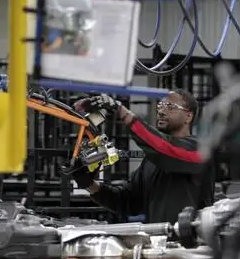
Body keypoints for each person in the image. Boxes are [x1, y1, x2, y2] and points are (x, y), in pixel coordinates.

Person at [72, 90, 216, 224]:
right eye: (160, 105)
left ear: (188, 116)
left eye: (170, 106)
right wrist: (90, 185)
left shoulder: (199, 150)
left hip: (191, 248)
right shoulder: (151, 161)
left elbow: (164, 148)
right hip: (158, 246)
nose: (161, 111)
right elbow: (128, 201)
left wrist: (121, 111)